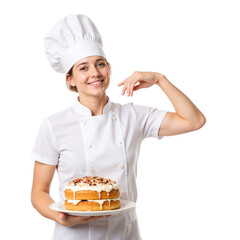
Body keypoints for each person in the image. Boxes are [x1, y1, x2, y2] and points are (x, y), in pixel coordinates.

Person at [31, 14, 206, 240]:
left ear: (109, 69)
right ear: (71, 80)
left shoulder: (132, 116)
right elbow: (38, 193)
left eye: (100, 64)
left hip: (125, 232)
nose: (95, 73)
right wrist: (63, 217)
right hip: (74, 235)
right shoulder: (54, 126)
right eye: (83, 68)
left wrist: (160, 79)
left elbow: (194, 120)